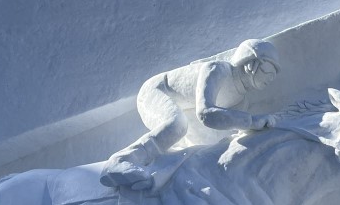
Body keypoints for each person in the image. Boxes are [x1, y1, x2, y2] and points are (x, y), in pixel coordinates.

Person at [100, 39, 282, 190]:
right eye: (267, 71)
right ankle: (121, 160)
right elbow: (206, 113)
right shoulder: (218, 70)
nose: (270, 79)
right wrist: (251, 121)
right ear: (250, 63)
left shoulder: (240, 100)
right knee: (176, 125)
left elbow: (224, 131)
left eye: (273, 76)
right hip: (157, 92)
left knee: (198, 150)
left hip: (186, 109)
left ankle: (157, 174)